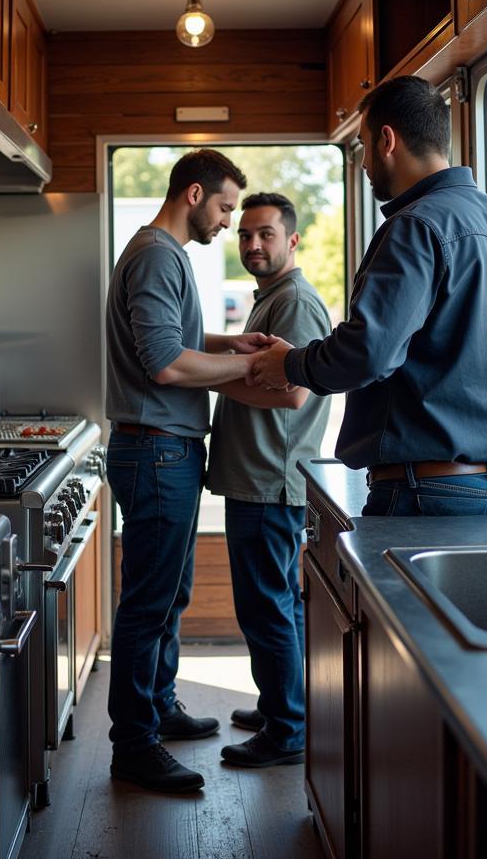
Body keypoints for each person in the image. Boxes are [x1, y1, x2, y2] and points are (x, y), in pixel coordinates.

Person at [252, 76, 487, 515]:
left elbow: (368, 352)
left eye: (364, 147)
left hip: (425, 494)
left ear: (387, 140)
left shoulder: (413, 228)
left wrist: (289, 364)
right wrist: (486, 408)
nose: (365, 164)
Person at [105, 148, 272, 794]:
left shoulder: (162, 255)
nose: (230, 223)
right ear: (195, 194)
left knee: (166, 594)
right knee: (148, 604)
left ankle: (159, 706)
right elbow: (165, 365)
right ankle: (133, 746)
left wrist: (230, 345)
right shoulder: (154, 254)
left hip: (164, 450)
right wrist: (254, 368)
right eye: (228, 207)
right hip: (154, 453)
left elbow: (176, 343)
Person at [205, 193, 331, 768]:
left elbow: (296, 391)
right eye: (246, 234)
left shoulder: (296, 303)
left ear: (292, 241)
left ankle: (287, 732)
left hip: (268, 483)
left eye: (266, 235)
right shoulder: (270, 300)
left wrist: (199, 380)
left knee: (267, 609)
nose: (253, 244)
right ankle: (287, 705)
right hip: (258, 480)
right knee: (279, 605)